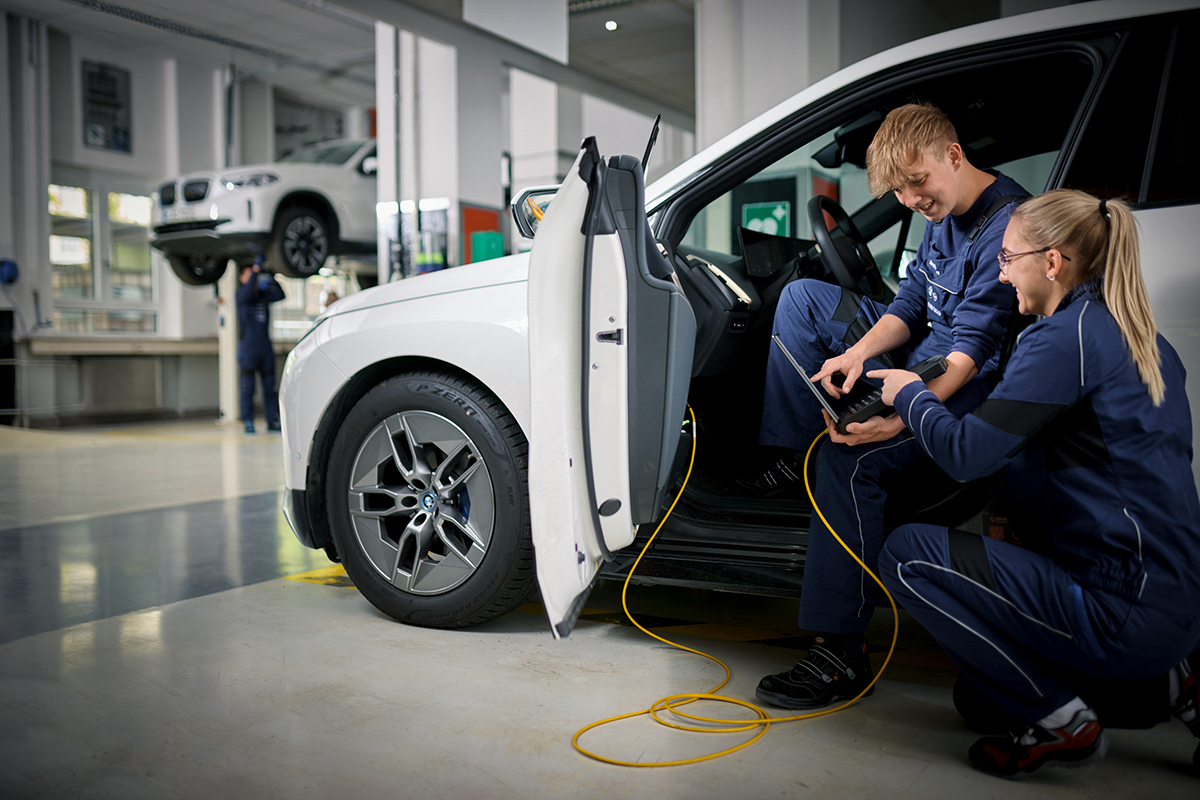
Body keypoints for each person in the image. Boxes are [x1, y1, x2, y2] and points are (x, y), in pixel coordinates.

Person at [871, 189, 1200, 779]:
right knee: (979, 700)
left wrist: (909, 394)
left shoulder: (1064, 338)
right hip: (1177, 600)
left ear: (1051, 262)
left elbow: (968, 456)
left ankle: (1061, 722)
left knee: (905, 555)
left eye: (1006, 259)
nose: (1000, 275)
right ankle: (1175, 681)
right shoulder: (1142, 336)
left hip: (1119, 607)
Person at [754, 104, 1029, 710]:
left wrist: (902, 412)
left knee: (846, 459)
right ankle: (791, 460)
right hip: (928, 353)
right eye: (898, 190)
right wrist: (855, 356)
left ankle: (839, 654)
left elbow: (971, 354)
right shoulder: (941, 211)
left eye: (917, 182)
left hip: (963, 384)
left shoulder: (1005, 226)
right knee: (800, 299)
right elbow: (908, 305)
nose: (910, 199)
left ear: (953, 155)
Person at [236, 255, 285, 434]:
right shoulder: (241, 295)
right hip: (249, 348)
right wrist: (256, 270)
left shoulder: (263, 296)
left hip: (265, 348)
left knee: (269, 387)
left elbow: (281, 295)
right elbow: (248, 291)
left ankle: (272, 420)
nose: (253, 278)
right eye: (249, 275)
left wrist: (272, 277)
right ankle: (248, 421)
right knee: (248, 387)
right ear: (242, 278)